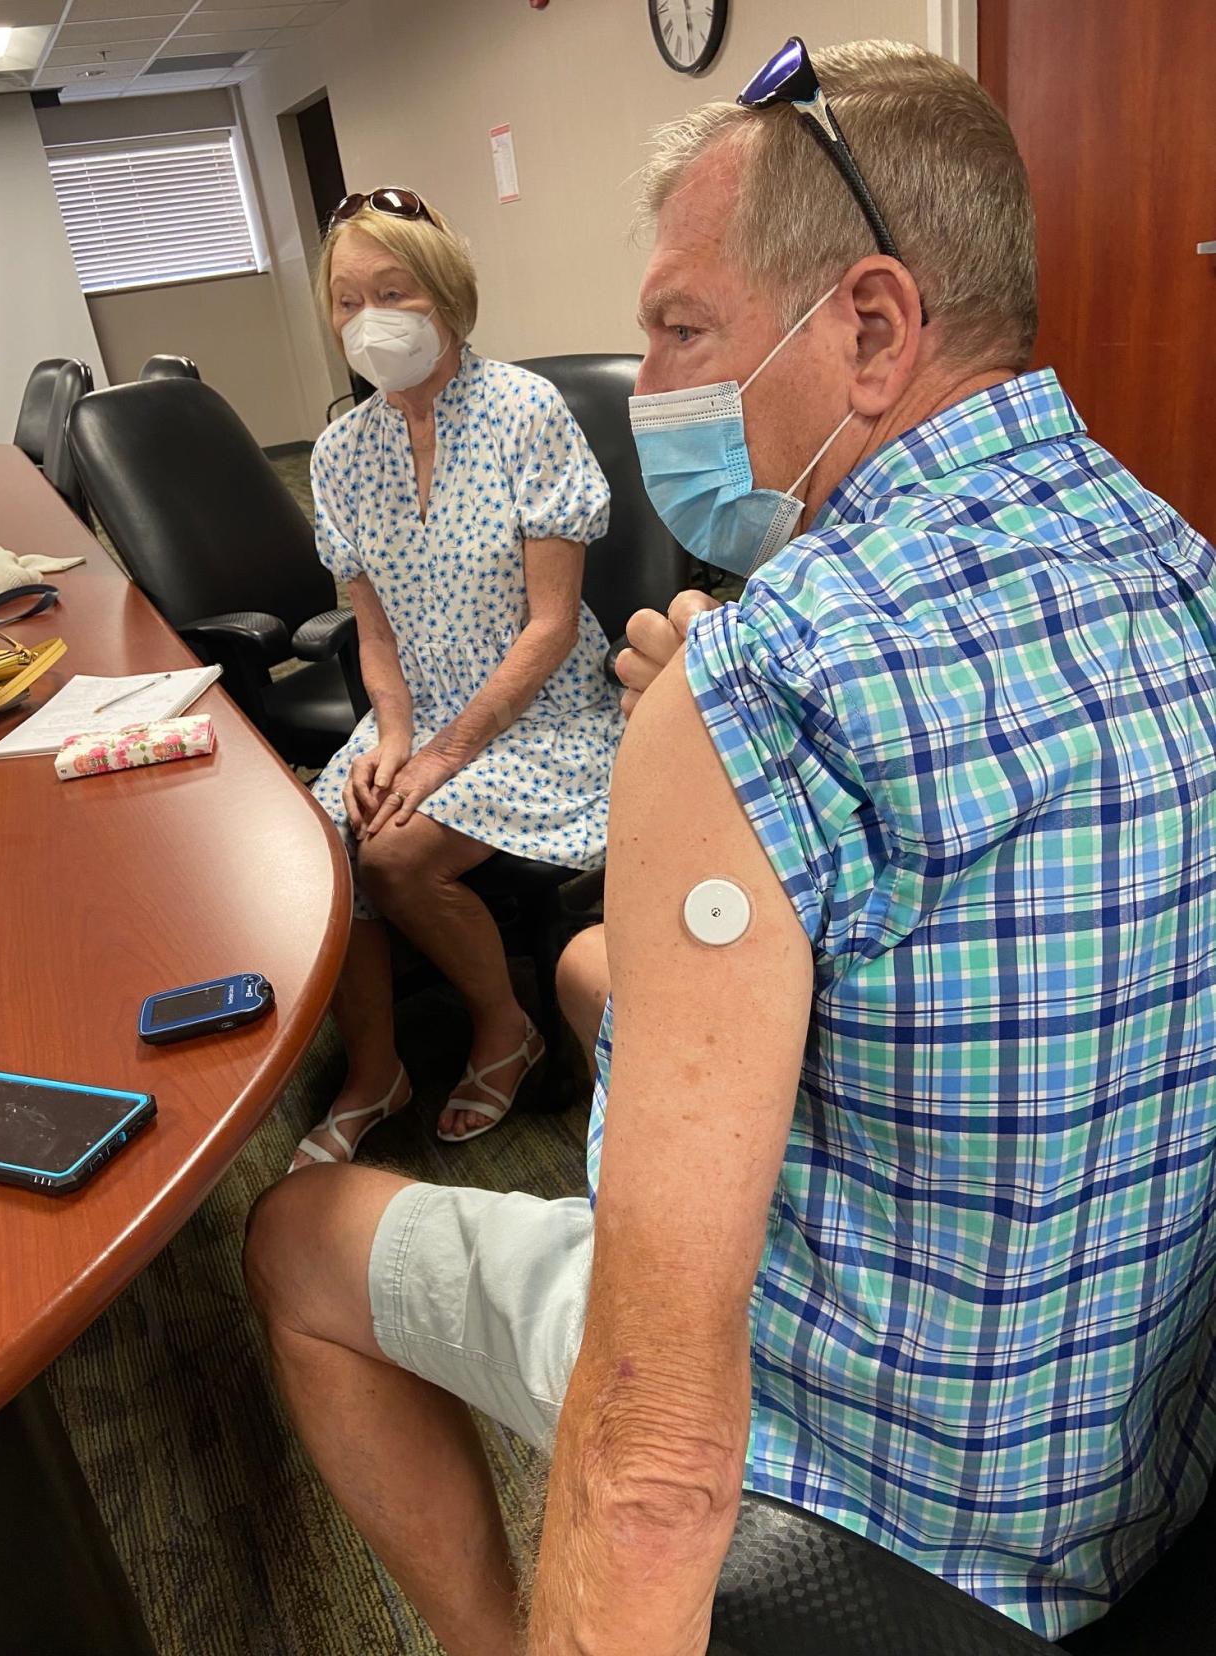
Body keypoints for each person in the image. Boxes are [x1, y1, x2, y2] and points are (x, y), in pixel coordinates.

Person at [245, 36, 1216, 1653]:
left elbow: (658, 1450)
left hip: (873, 1479)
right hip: (1125, 1434)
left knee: (298, 1240)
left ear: (874, 326)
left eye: (683, 331)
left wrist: (703, 740)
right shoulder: (1175, 556)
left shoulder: (776, 681)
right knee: (583, 970)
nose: (663, 393)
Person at [294, 188, 621, 1166]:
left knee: (396, 859)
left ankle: (505, 1027)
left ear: (443, 295)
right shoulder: (339, 454)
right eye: (348, 301)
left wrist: (445, 754)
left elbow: (553, 627)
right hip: (420, 714)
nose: (370, 320)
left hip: (543, 716)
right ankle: (376, 1068)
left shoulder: (526, 413)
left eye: (392, 291)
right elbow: (376, 637)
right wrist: (392, 742)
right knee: (328, 841)